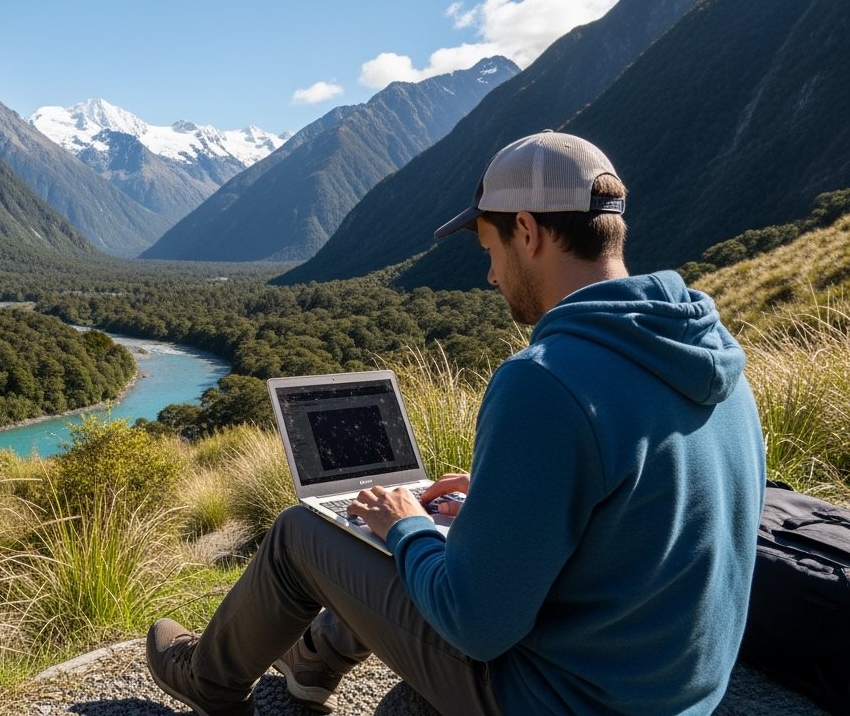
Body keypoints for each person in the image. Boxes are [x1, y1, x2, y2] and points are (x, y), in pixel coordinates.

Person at [145, 130, 767, 716]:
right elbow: (631, 519)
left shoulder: (546, 379)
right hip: (673, 692)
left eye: (489, 251)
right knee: (415, 529)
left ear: (527, 231)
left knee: (300, 534)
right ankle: (310, 663)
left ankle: (207, 680)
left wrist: (409, 529)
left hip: (558, 698)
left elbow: (476, 625)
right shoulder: (709, 354)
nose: (492, 275)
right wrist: (504, 505)